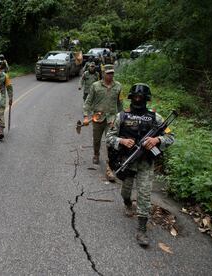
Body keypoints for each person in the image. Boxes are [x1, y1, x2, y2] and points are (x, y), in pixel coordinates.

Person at [106, 83, 175, 246]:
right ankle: (127, 203)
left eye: (141, 97)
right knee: (125, 192)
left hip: (146, 164)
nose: (138, 99)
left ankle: (142, 229)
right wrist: (121, 140)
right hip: (128, 162)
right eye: (135, 97)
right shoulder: (121, 116)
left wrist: (157, 139)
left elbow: (171, 137)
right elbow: (109, 137)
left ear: (146, 99)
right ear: (131, 98)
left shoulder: (156, 118)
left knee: (144, 195)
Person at [83, 64, 124, 181]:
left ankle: (109, 168)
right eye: (108, 73)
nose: (110, 75)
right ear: (103, 73)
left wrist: (122, 118)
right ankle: (96, 154)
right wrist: (86, 116)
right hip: (97, 117)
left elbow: (120, 103)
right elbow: (88, 101)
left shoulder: (118, 86)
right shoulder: (95, 86)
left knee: (110, 142)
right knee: (96, 140)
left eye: (112, 73)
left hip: (112, 119)